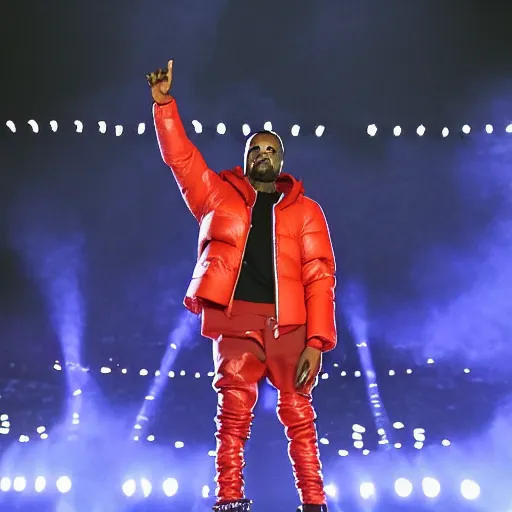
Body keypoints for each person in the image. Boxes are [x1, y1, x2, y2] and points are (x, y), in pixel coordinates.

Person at [147, 60, 336, 512]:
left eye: (271, 150)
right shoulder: (217, 194)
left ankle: (314, 503)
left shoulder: (307, 211)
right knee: (232, 417)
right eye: (256, 148)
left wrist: (317, 340)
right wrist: (164, 106)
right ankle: (228, 500)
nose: (263, 155)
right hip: (236, 320)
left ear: (282, 159)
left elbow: (320, 276)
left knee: (299, 417)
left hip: (291, 326)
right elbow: (182, 159)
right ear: (247, 155)